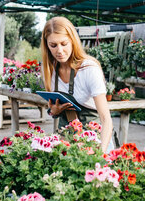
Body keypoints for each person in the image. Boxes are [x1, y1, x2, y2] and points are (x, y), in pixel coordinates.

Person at [41, 16, 112, 152]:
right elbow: (53, 109)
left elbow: (106, 120)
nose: (59, 51)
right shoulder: (50, 70)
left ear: (73, 41)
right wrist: (54, 111)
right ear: (47, 46)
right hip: (67, 136)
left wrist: (100, 154)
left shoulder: (89, 69)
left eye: (64, 43)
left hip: (94, 138)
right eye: (53, 45)